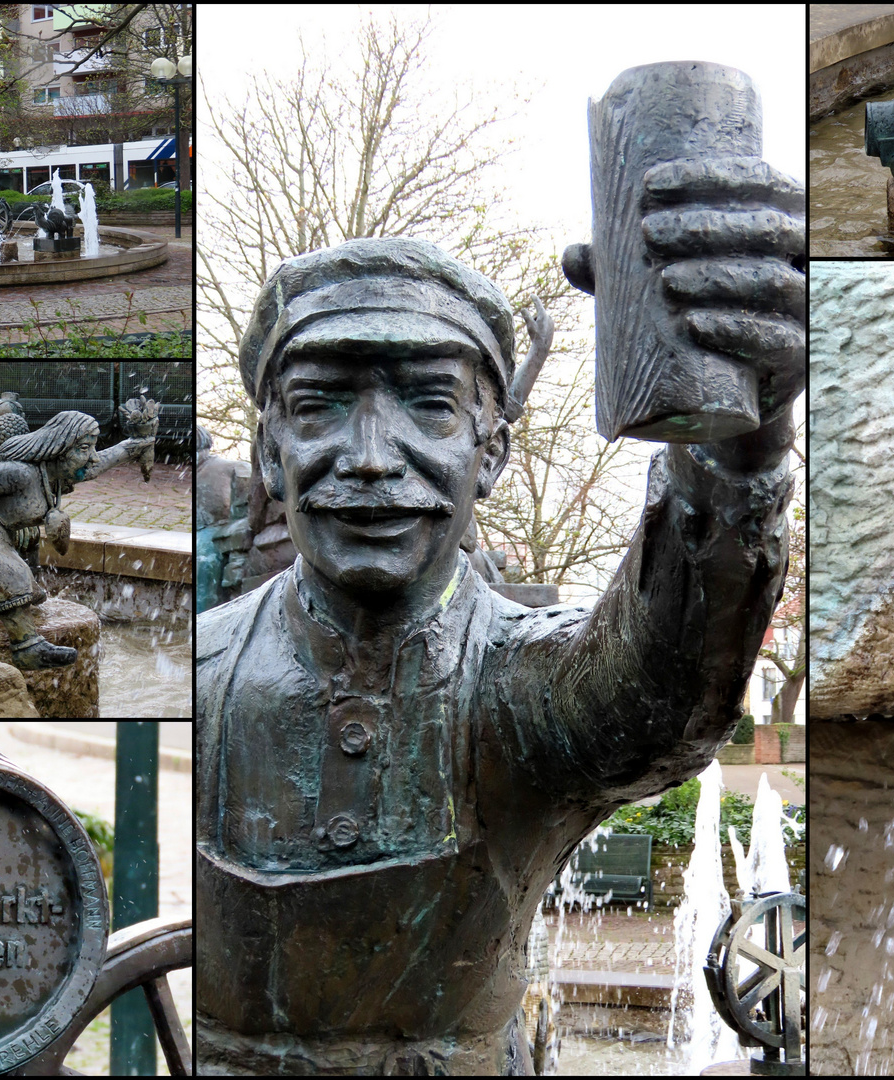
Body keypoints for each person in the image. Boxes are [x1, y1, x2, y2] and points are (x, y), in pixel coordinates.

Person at [196, 227, 799, 1069]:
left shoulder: (524, 681)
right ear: (268, 451)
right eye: (319, 405)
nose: (370, 459)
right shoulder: (200, 670)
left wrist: (739, 436)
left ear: (491, 454)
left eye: (432, 407)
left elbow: (665, 683)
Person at [0, 410, 157, 669]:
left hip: (1, 533)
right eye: (84, 448)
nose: (92, 456)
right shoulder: (20, 473)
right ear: (60, 448)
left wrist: (135, 445)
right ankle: (27, 647)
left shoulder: (56, 477)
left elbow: (95, 465)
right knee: (12, 574)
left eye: (91, 448)